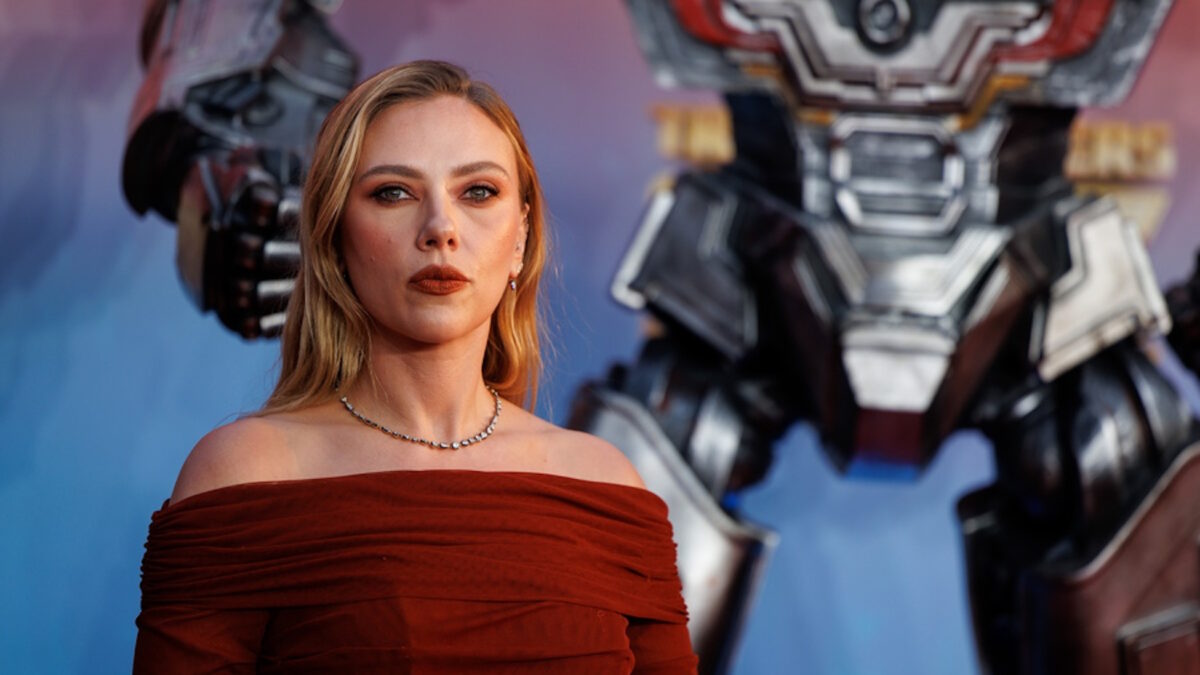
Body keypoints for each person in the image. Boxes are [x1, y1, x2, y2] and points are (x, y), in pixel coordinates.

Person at [133, 60, 698, 674]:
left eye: (478, 192)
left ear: (520, 238)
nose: (440, 229)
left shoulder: (606, 486)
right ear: (334, 237)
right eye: (393, 193)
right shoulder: (246, 474)